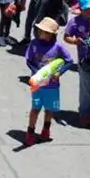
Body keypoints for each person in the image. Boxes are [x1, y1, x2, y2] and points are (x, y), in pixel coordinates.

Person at [24, 17, 74, 146]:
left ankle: (46, 130)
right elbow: (29, 60)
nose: (40, 33)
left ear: (51, 34)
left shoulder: (58, 46)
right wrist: (38, 73)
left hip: (52, 85)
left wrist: (59, 72)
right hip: (38, 84)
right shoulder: (34, 44)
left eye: (43, 31)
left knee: (49, 109)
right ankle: (30, 132)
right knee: (35, 108)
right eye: (39, 30)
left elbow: (69, 61)